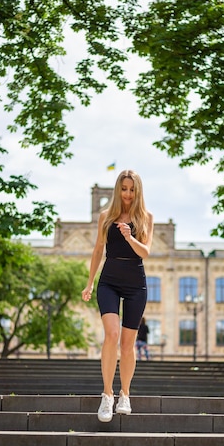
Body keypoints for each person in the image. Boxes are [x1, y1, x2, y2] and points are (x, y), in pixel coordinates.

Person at [82, 169, 154, 422]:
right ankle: (107, 395)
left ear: (138, 191)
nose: (127, 194)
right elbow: (98, 250)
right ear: (117, 189)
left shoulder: (146, 218)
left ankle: (125, 394)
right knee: (111, 334)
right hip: (109, 281)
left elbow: (145, 252)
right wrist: (90, 283)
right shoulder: (106, 216)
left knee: (127, 343)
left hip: (136, 283)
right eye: (124, 189)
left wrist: (130, 236)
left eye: (132, 189)